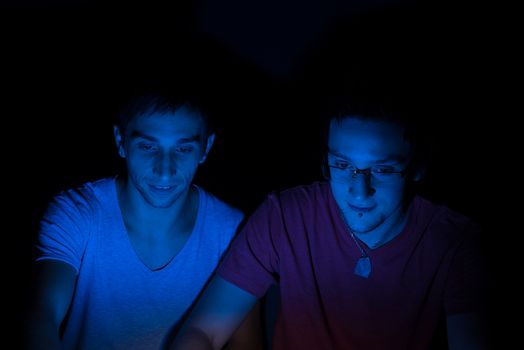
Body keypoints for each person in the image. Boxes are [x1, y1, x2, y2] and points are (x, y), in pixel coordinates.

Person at [170, 94, 489, 350]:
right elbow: (204, 331)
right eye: (342, 165)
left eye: (381, 170)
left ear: (416, 167)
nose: (359, 192)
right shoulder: (285, 216)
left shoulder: (454, 243)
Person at [26, 91, 263, 350]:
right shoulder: (77, 213)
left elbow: (246, 345)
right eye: (148, 146)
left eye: (183, 149)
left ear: (206, 147)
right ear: (121, 140)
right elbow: (43, 313)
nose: (164, 170)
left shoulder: (233, 231)